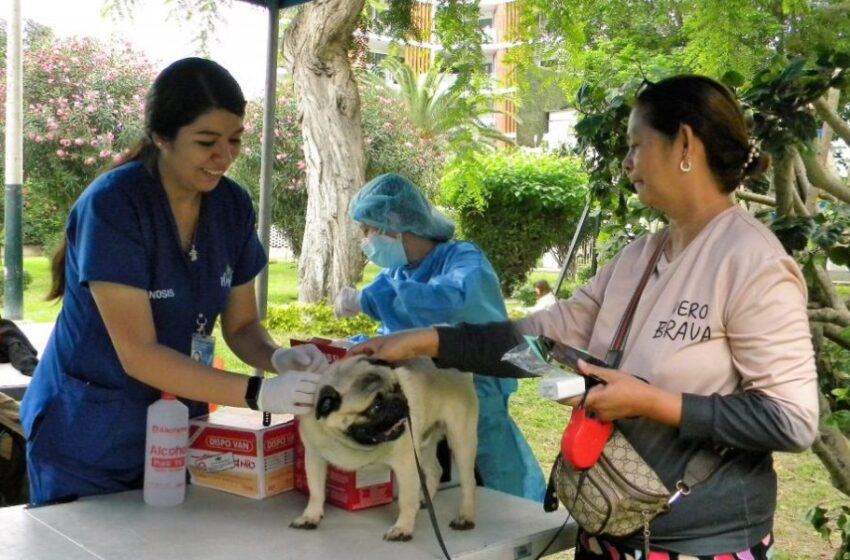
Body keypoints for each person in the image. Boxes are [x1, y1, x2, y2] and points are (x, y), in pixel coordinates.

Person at [349, 76, 819, 559]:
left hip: (698, 543)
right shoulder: (640, 257)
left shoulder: (751, 261)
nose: (627, 163)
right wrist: (427, 341)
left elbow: (792, 421)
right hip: (608, 528)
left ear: (684, 143)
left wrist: (653, 403)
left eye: (637, 145)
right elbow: (537, 340)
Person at [20, 58, 329, 506]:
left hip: (176, 426)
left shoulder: (232, 207)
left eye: (236, 140)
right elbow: (138, 352)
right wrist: (259, 392)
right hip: (87, 435)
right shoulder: (114, 206)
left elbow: (241, 327)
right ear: (162, 137)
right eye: (207, 142)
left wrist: (279, 357)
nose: (224, 157)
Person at [334, 173, 547, 502]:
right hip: (421, 401)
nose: (366, 241)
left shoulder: (464, 260)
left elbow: (447, 302)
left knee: (492, 497)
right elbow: (395, 329)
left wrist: (369, 299)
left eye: (368, 230)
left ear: (394, 223)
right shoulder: (400, 270)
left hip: (475, 394)